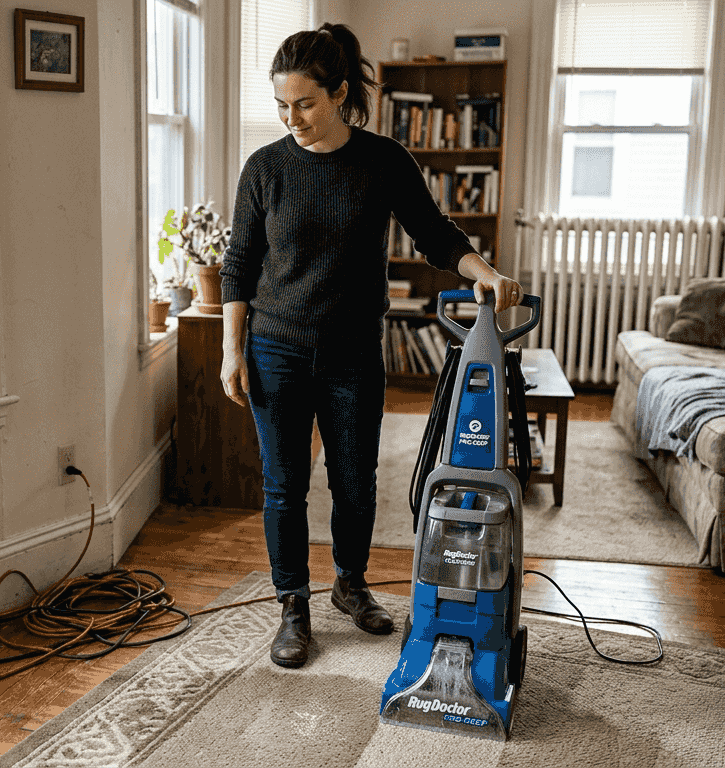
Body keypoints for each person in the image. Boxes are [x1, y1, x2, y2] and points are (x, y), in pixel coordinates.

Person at [218, 22, 522, 669]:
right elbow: (239, 263)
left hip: (352, 353)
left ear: (338, 93)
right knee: (284, 486)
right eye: (281, 105)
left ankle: (349, 583)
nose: (291, 118)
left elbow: (436, 234)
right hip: (276, 349)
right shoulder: (264, 169)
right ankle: (293, 604)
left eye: (304, 103)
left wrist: (486, 273)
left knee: (354, 482)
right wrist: (230, 349)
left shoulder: (383, 161)